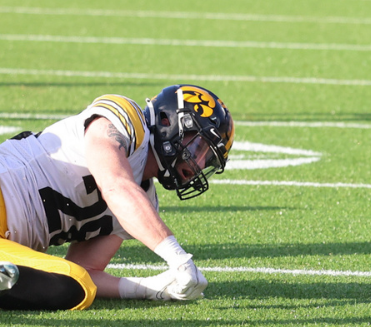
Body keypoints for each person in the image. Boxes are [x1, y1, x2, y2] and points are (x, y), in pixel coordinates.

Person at [0, 85, 233, 311]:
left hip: (5, 242)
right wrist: (178, 257)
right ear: (168, 121)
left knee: (74, 285)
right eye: (198, 148)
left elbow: (85, 269)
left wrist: (152, 288)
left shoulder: (141, 203)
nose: (199, 165)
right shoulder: (126, 119)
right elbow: (114, 185)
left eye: (207, 161)